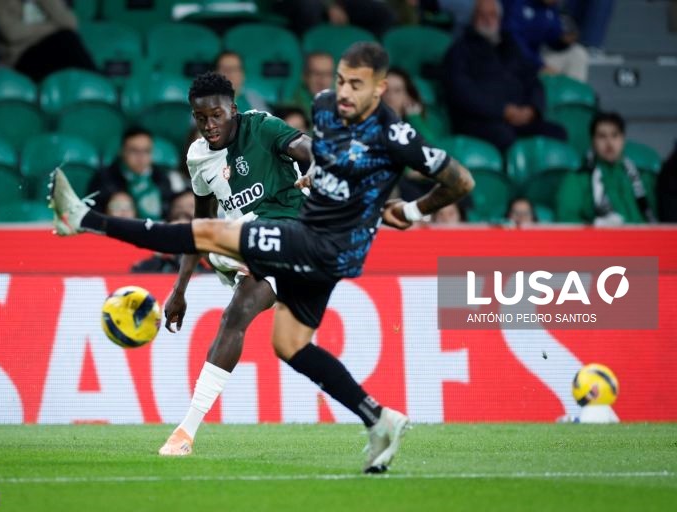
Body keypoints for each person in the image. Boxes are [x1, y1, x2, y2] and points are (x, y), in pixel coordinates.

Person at [49, 43, 474, 473]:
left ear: (380, 89)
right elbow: (310, 153)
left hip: (302, 236)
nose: (342, 90)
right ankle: (377, 417)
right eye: (341, 79)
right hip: (295, 249)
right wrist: (179, 290)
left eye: (355, 84)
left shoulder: (390, 136)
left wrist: (411, 210)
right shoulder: (317, 110)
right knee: (287, 344)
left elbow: (455, 179)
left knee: (216, 245)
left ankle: (84, 217)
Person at [157, 72, 310, 455]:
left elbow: (307, 147)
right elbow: (200, 225)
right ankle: (185, 434)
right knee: (233, 308)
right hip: (241, 241)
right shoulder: (198, 157)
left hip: (288, 234)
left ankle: (184, 433)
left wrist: (317, 167)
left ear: (234, 110)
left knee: (235, 287)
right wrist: (179, 291)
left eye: (217, 116)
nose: (209, 125)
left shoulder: (263, 127)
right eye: (200, 117)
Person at [442, 0, 567, 152]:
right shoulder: (460, 50)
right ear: (473, 19)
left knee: (556, 133)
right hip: (480, 121)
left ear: (500, 19)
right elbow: (462, 92)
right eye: (482, 15)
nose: (488, 20)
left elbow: (533, 80)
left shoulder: (511, 47)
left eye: (492, 15)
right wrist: (502, 110)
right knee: (504, 137)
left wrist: (532, 109)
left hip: (520, 118)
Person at [557, 112, 658, 225]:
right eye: (602, 136)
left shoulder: (643, 177)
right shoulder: (577, 179)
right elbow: (568, 221)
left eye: (615, 135)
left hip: (644, 239)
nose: (609, 143)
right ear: (593, 141)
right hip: (599, 240)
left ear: (623, 139)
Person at [0, 0, 96, 83]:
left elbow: (71, 23)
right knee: (64, 40)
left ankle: (97, 85)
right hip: (23, 54)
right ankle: (97, 80)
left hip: (52, 47)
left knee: (68, 39)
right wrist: (53, 28)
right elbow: (12, 33)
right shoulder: (0, 1)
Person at [87, 127, 175, 221]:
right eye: (134, 151)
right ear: (122, 151)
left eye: (146, 151)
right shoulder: (104, 178)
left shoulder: (161, 178)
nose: (141, 157)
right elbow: (94, 214)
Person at [504, 0, 589, 82]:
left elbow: (552, 36)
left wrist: (563, 41)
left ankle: (575, 94)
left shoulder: (551, 7)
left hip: (539, 57)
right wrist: (539, 66)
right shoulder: (515, 4)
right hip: (517, 62)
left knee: (577, 53)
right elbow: (513, 42)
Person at [383, 67, 438, 144]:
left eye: (397, 90)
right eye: (385, 90)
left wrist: (415, 119)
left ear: (408, 96)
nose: (390, 96)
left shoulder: (416, 122)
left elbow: (431, 149)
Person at [291, 52, 335, 120]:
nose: (322, 81)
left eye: (328, 74)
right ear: (305, 76)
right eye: (317, 74)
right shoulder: (294, 111)